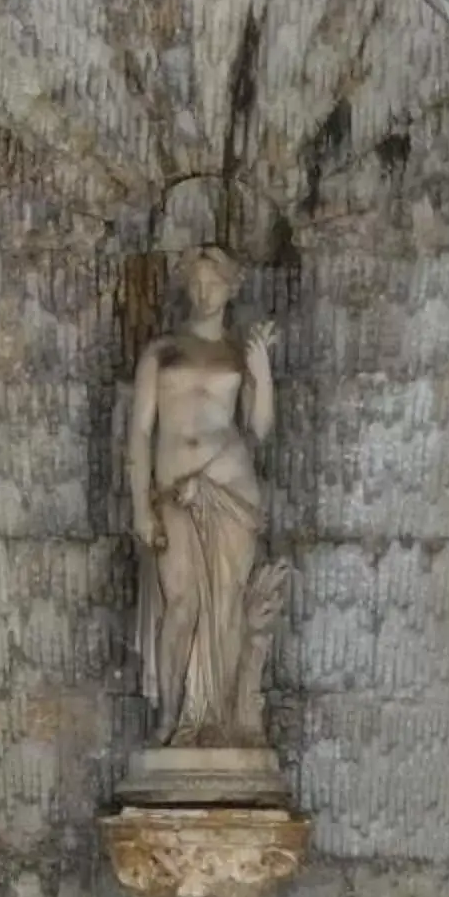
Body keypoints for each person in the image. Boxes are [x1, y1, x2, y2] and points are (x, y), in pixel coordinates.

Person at [125, 246, 289, 749]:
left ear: (231, 287)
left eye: (213, 283)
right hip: (174, 493)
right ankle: (170, 720)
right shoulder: (161, 351)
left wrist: (261, 373)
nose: (203, 292)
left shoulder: (239, 354)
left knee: (227, 605)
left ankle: (222, 721)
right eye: (195, 283)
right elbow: (139, 432)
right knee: (180, 604)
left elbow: (258, 430)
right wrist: (139, 506)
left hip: (231, 490)